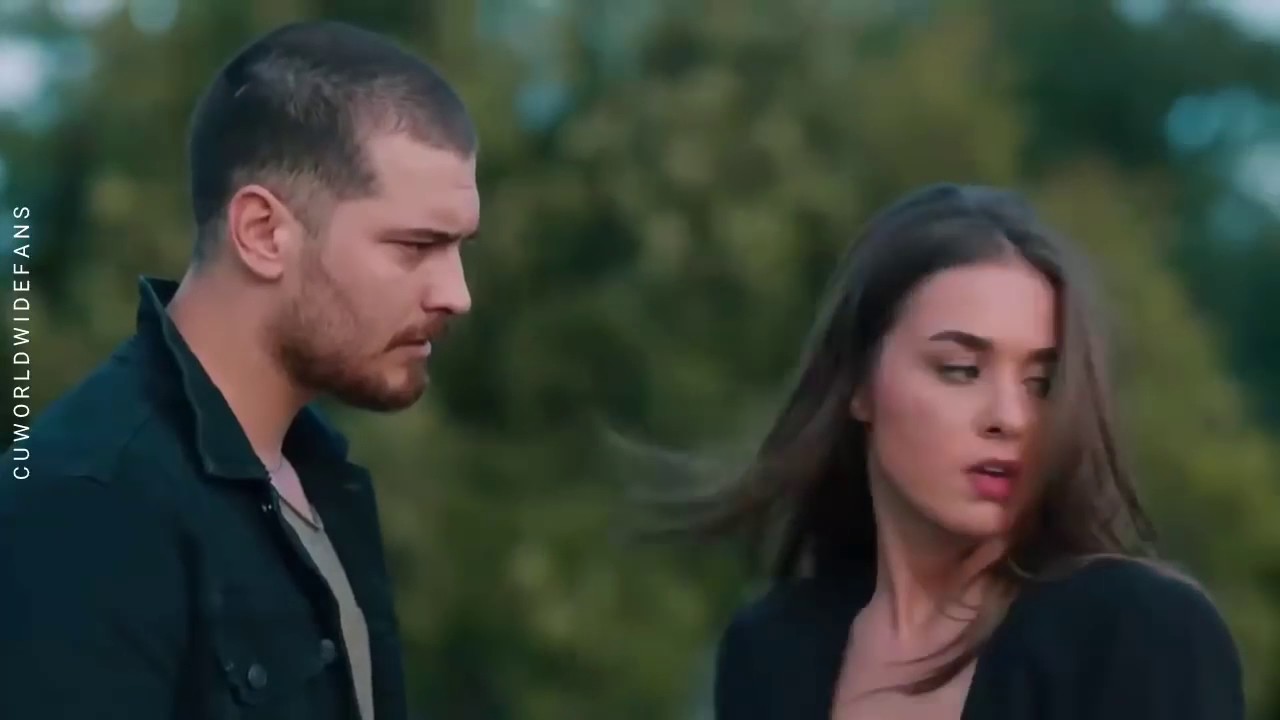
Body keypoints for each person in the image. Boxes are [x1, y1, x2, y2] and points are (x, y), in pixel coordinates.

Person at [0, 20, 477, 720]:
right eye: (415, 246)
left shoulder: (318, 478)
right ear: (262, 233)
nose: (456, 294)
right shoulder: (85, 507)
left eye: (459, 246)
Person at [686, 184, 1244, 719]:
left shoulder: (1139, 630)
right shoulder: (769, 650)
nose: (1010, 418)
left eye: (1041, 383)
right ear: (859, 383)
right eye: (960, 370)